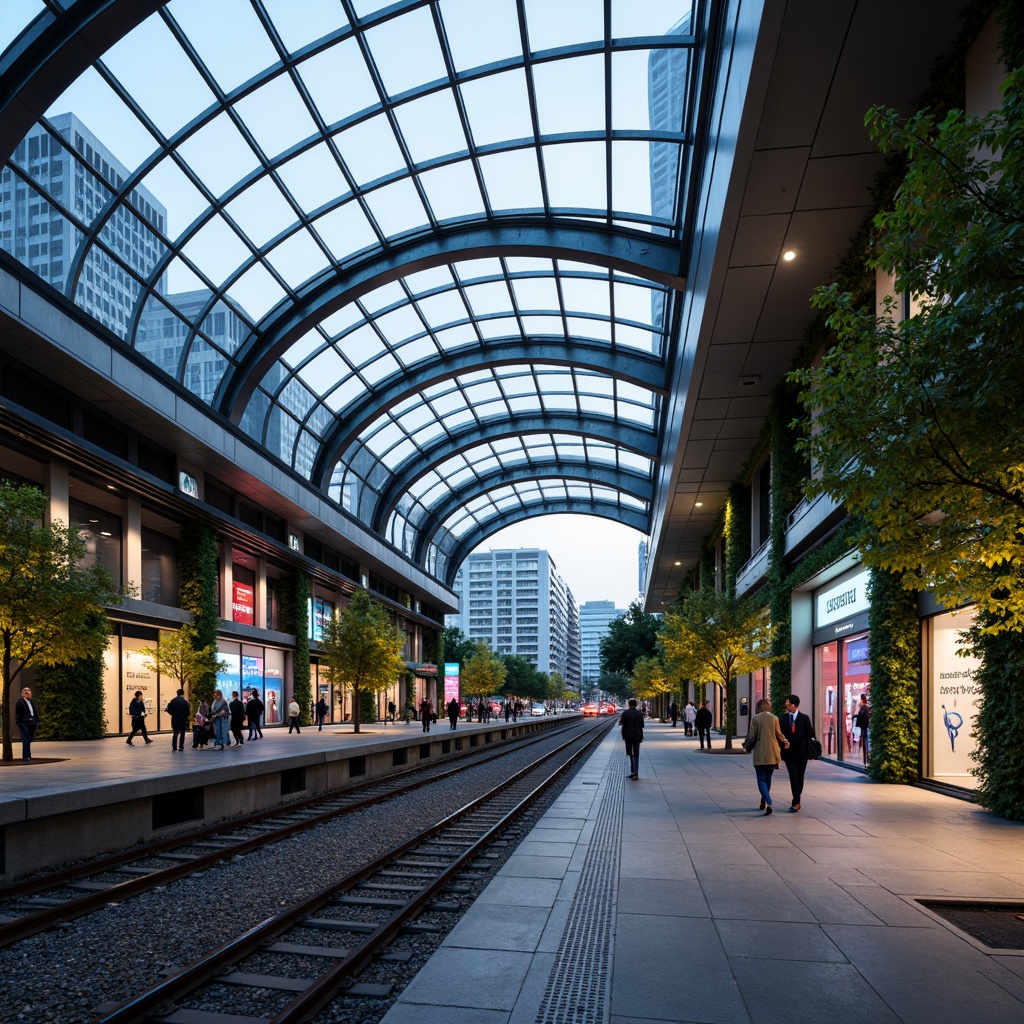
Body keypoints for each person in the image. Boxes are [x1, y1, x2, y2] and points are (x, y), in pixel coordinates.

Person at [745, 698, 789, 815]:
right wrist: (785, 741)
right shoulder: (775, 718)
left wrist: (746, 747)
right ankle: (764, 799)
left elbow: (752, 735)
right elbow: (779, 734)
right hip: (772, 752)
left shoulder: (755, 719)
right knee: (768, 778)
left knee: (760, 779)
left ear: (759, 707)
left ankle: (768, 801)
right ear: (769, 707)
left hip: (760, 752)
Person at [779, 694, 815, 811]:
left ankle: (797, 798)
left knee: (800, 776)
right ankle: (796, 801)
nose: (786, 705)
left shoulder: (804, 718)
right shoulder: (782, 718)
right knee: (793, 776)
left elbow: (810, 733)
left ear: (794, 705)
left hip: (801, 752)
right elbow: (779, 734)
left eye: (788, 703)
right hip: (789, 753)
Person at [619, 697, 645, 780]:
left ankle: (633, 772)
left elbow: (620, 723)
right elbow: (642, 725)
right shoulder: (639, 713)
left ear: (629, 704)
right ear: (636, 705)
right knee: (636, 754)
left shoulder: (625, 713)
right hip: (637, 735)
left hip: (628, 736)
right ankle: (635, 772)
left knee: (630, 753)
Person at [15, 686, 39, 761]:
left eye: (29, 692)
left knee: (29, 739)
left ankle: (28, 755)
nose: (28, 693)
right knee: (25, 739)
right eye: (26, 692)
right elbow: (18, 713)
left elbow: (34, 711)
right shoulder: (20, 702)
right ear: (23, 694)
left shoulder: (31, 701)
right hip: (24, 723)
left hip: (31, 722)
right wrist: (19, 722)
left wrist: (36, 720)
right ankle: (26, 757)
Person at [854, 693, 871, 764]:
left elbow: (860, 715)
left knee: (865, 740)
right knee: (867, 740)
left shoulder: (862, 706)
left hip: (863, 726)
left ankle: (866, 758)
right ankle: (866, 757)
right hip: (867, 725)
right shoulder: (867, 706)